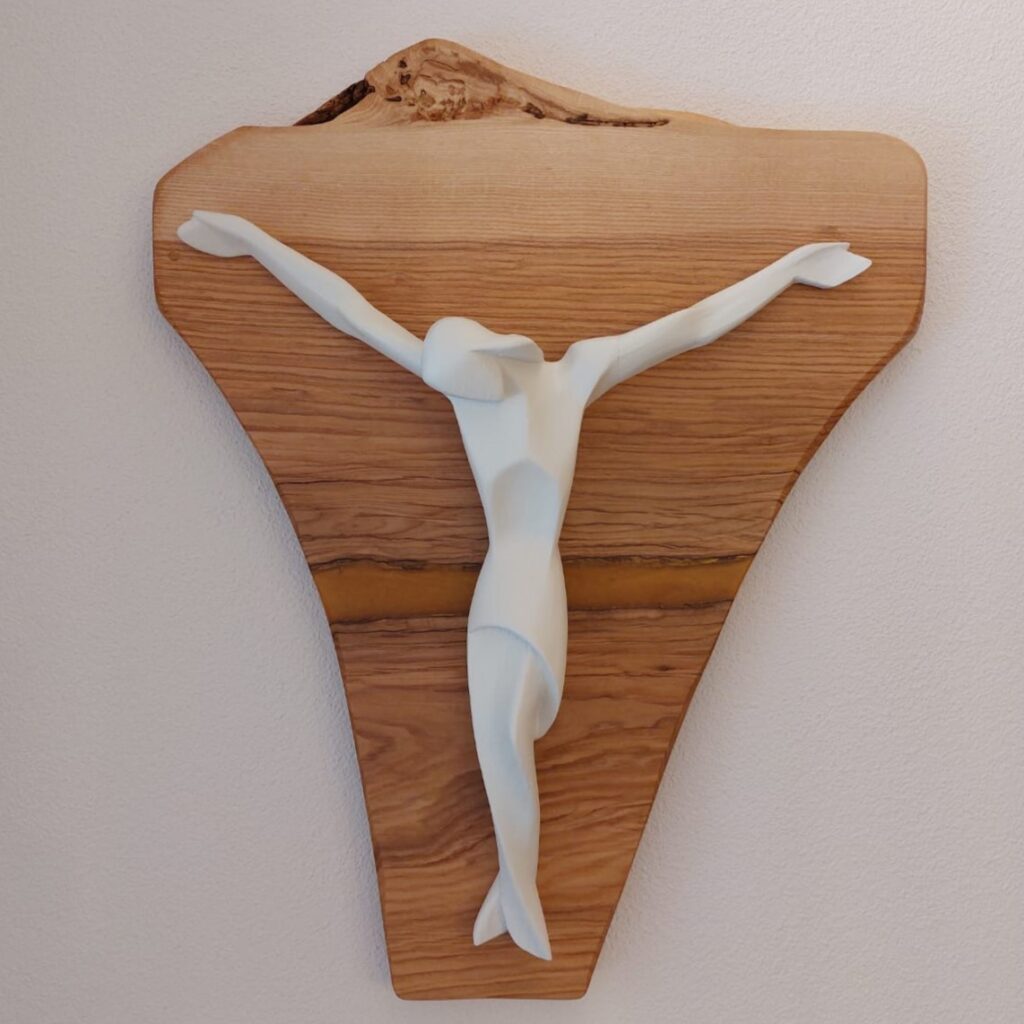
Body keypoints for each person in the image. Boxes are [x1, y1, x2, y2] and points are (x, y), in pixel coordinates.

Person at [178, 211, 870, 960]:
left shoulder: (574, 376)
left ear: (495, 357)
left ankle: (518, 892)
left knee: (509, 739)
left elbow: (693, 324)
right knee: (497, 745)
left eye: (464, 384)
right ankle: (515, 891)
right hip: (497, 587)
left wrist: (792, 269)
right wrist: (252, 241)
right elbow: (350, 311)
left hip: (536, 585)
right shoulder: (463, 388)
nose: (459, 397)